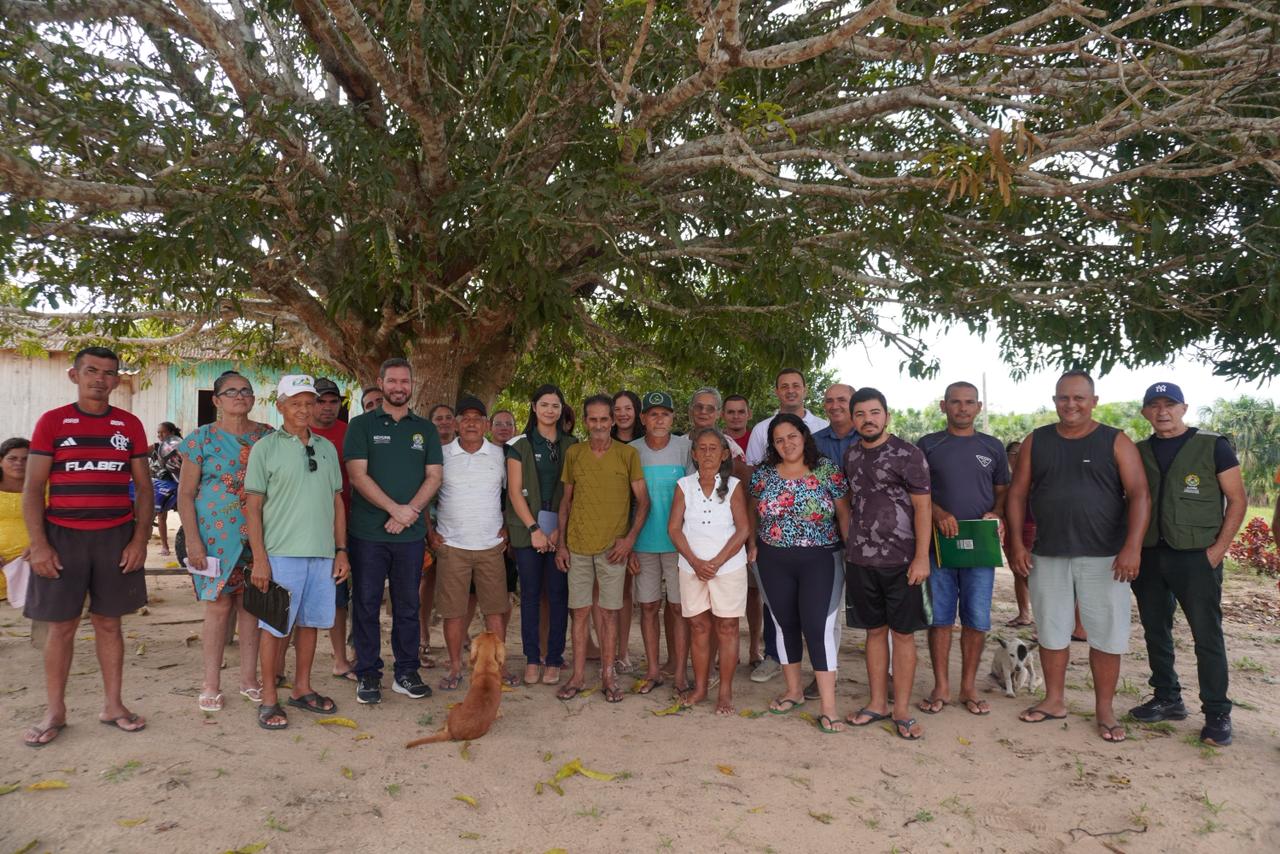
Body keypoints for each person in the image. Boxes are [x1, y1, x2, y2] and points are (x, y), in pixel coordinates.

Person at [1006, 371, 1151, 743]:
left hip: (1105, 557)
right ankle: (1054, 700)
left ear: (1094, 401)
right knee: (1052, 630)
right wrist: (1018, 544)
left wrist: (1132, 547)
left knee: (1106, 635)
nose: (1070, 405)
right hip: (1048, 553)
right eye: (1063, 398)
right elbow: (1017, 494)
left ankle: (1105, 710)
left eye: (1079, 398)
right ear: (1055, 400)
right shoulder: (1037, 440)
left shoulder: (1115, 441)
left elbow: (1139, 494)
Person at [22, 346, 153, 746]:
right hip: (62, 536)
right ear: (74, 375)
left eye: (109, 373)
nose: (100, 379)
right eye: (92, 370)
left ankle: (113, 705)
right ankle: (55, 711)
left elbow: (144, 488)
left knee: (109, 624)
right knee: (60, 627)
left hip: (115, 537)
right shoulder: (52, 422)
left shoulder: (129, 425)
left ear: (116, 380)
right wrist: (39, 545)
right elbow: (33, 487)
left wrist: (139, 540)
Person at [1130, 382, 1245, 747]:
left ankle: (1217, 712)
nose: (1162, 411)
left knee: (1206, 635)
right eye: (1154, 405)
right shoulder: (1138, 451)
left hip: (1197, 556)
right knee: (1155, 630)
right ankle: (1167, 697)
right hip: (1150, 555)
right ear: (1145, 412)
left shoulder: (1212, 446)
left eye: (1170, 404)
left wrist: (1218, 551)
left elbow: (1237, 500)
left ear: (1184, 408)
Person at [244, 375, 349, 730]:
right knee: (274, 627)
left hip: (321, 553)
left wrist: (340, 550)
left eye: (310, 402)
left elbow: (336, 502)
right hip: (280, 554)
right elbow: (253, 507)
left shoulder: (326, 448)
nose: (304, 409)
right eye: (295, 403)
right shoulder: (265, 448)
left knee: (310, 623)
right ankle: (269, 697)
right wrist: (260, 558)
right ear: (280, 407)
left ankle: (302, 688)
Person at [345, 358, 442, 704]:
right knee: (366, 604)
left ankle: (406, 672)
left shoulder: (425, 429)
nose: (399, 387)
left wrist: (409, 512)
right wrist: (393, 509)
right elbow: (357, 475)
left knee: (407, 605)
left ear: (412, 385)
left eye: (405, 381)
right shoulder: (361, 425)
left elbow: (434, 476)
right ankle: (368, 673)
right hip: (368, 534)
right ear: (381, 382)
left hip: (410, 536)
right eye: (393, 381)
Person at [176, 371, 273, 711]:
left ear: (253, 398)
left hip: (258, 536)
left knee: (251, 606)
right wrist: (193, 541)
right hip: (213, 539)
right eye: (231, 391)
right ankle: (210, 684)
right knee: (218, 606)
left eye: (245, 390)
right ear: (217, 400)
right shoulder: (200, 439)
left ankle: (249, 680)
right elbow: (185, 495)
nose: (239, 396)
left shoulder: (267, 436)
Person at [748, 413, 850, 733]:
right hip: (772, 559)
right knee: (784, 625)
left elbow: (844, 514)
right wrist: (751, 544)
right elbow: (752, 512)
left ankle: (829, 707)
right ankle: (793, 691)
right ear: (772, 445)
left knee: (818, 628)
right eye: (779, 440)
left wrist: (852, 551)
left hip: (821, 558)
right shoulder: (764, 474)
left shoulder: (827, 470)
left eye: (792, 436)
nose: (787, 444)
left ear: (804, 436)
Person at [842, 388, 932, 739]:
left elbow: (923, 507)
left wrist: (921, 557)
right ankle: (877, 703)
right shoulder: (851, 455)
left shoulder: (908, 454)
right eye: (861, 414)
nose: (868, 419)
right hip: (861, 560)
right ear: (853, 420)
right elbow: (851, 501)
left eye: (874, 412)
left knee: (903, 635)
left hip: (903, 561)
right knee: (874, 632)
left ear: (886, 416)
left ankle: (902, 710)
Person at [916, 381, 1009, 717]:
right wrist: (938, 513)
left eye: (969, 402)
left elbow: (1002, 490)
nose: (963, 408)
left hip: (979, 546)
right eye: (955, 402)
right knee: (940, 619)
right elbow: (917, 491)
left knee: (977, 618)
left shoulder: (993, 446)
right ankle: (941, 685)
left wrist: (997, 513)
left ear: (979, 407)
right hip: (938, 545)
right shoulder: (928, 445)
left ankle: (968, 686)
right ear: (944, 406)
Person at [555, 395, 649, 703]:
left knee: (609, 614)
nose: (598, 425)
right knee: (580, 612)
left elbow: (643, 501)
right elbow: (566, 501)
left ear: (612, 421)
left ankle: (609, 676)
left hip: (613, 549)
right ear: (585, 421)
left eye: (603, 419)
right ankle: (578, 676)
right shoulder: (574, 453)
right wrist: (562, 545)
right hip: (578, 546)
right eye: (592, 419)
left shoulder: (627, 454)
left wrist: (629, 540)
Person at [745, 368, 828, 684]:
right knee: (776, 605)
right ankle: (773, 656)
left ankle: (822, 670)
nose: (790, 390)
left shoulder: (822, 428)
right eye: (784, 386)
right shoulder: (761, 429)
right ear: (776, 391)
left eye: (796, 385)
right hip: (773, 539)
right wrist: (753, 538)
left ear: (805, 389)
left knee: (817, 612)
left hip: (818, 543)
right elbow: (754, 481)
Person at [431, 397, 515, 689]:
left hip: (491, 546)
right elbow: (423, 493)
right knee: (453, 612)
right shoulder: (441, 455)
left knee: (495, 610)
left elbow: (513, 495)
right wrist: (430, 533)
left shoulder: (500, 455)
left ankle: (499, 668)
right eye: (464, 418)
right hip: (452, 546)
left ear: (486, 425)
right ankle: (455, 667)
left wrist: (508, 527)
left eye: (477, 418)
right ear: (455, 424)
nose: (470, 423)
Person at [669, 428, 750, 714]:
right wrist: (695, 562)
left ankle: (725, 691)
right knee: (699, 627)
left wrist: (716, 562)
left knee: (727, 627)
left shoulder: (734, 486)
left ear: (724, 454)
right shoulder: (684, 485)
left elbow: (743, 529)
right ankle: (701, 687)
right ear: (693, 453)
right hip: (691, 567)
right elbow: (674, 529)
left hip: (728, 568)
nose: (707, 453)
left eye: (713, 448)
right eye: (701, 448)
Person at [506, 384, 577, 685]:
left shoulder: (572, 445)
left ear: (562, 410)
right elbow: (514, 492)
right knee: (531, 596)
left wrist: (560, 530)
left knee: (559, 595)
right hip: (528, 533)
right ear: (534, 407)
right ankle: (533, 659)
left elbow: (575, 492)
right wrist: (534, 529)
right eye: (544, 404)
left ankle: (555, 659)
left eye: (555, 405)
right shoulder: (519, 445)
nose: (550, 410)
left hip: (561, 532)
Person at [629, 392, 692, 696]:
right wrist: (628, 544)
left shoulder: (685, 448)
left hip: (678, 544)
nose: (659, 420)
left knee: (678, 607)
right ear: (643, 418)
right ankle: (653, 670)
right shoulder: (632, 451)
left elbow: (695, 494)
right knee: (649, 606)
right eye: (653, 414)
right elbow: (626, 501)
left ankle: (679, 672)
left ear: (672, 418)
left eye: (665, 414)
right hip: (643, 542)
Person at [308, 377, 357, 681]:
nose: (327, 407)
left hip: (351, 525)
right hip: (311, 528)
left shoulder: (350, 433)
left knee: (349, 595)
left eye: (333, 402)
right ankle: (276, 668)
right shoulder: (296, 434)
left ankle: (347, 657)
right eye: (320, 401)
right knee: (310, 596)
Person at [609, 389, 644, 673]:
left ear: (637, 412)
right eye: (617, 409)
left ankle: (623, 652)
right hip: (607, 524)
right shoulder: (603, 444)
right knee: (605, 592)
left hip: (637, 526)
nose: (622, 414)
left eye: (628, 408)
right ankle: (607, 650)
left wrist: (632, 536)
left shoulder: (644, 446)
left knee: (626, 592)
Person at [1002, 440, 1035, 627]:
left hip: (1030, 526)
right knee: (1017, 571)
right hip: (1009, 527)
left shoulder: (1034, 475)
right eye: (1014, 453)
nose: (1018, 457)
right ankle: (1024, 614)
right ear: (1007, 456)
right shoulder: (1004, 477)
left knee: (1028, 572)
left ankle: (1043, 618)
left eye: (1022, 453)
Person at [0, 438, 31, 604]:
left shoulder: (44, 488)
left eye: (25, 459)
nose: (19, 463)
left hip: (33, 560)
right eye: (12, 458)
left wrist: (40, 546)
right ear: (0, 460)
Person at [152, 422, 183, 556]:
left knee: (184, 513)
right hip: (165, 484)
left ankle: (186, 541)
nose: (160, 435)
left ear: (171, 433)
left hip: (180, 484)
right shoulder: (156, 447)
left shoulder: (181, 446)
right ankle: (165, 547)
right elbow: (139, 452)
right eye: (158, 433)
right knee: (161, 515)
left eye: (163, 432)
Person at [812, 384, 857, 467]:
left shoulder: (869, 438)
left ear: (855, 404)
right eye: (829, 401)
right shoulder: (813, 442)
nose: (834, 406)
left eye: (841, 400)